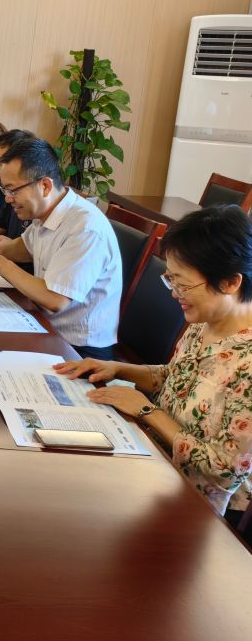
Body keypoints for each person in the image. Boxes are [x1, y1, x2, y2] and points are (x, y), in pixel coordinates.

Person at [55, 205, 252, 534]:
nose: (175, 294)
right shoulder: (207, 321)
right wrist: (116, 368)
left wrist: (147, 411)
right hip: (153, 462)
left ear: (231, 282)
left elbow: (223, 470)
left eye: (183, 285)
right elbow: (176, 378)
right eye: (170, 280)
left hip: (200, 510)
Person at [0, 137, 122, 359]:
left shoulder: (85, 227)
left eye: (13, 190)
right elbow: (24, 248)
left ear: (45, 186)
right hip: (43, 326)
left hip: (79, 351)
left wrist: (2, 265)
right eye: (5, 190)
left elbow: (55, 300)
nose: (8, 199)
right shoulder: (47, 212)